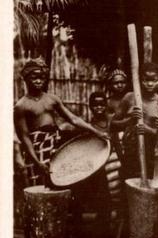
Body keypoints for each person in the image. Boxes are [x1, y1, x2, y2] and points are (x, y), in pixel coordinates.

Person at [14, 58, 108, 186]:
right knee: (40, 184)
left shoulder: (52, 99)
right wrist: (37, 162)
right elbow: (24, 137)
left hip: (55, 143)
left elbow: (73, 119)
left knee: (62, 178)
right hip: (37, 147)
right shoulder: (21, 106)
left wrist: (96, 132)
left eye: (41, 77)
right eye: (34, 78)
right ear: (26, 79)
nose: (38, 81)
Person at [111, 62, 158, 179]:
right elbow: (113, 125)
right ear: (140, 80)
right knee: (128, 185)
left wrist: (150, 130)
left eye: (154, 80)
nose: (149, 84)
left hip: (152, 156)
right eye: (146, 80)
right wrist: (130, 120)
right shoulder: (130, 98)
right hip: (130, 154)